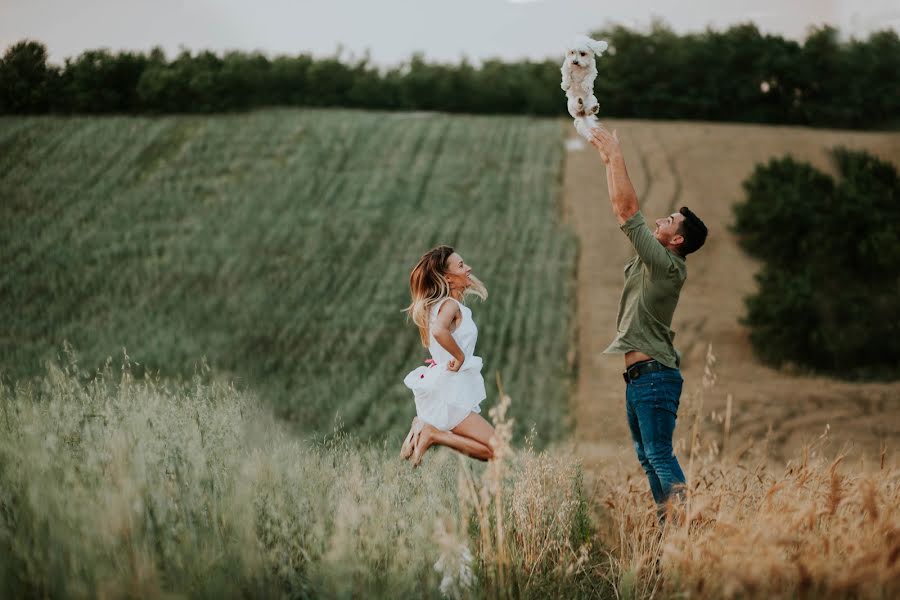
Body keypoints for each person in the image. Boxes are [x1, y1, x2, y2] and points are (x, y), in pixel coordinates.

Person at [588, 126, 708, 518]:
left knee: (658, 454)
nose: (661, 220)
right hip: (642, 378)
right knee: (648, 458)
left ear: (677, 241)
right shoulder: (656, 259)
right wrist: (608, 160)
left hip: (654, 377)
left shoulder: (667, 266)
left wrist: (618, 154)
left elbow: (627, 211)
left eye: (670, 220)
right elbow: (618, 206)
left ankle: (686, 526)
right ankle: (669, 526)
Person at [400, 245, 496, 467]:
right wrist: (460, 357)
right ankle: (432, 434)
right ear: (448, 278)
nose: (468, 268)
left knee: (495, 450)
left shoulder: (438, 306)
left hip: (449, 388)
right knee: (498, 448)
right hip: (452, 392)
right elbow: (439, 331)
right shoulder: (451, 305)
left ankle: (430, 432)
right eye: (461, 265)